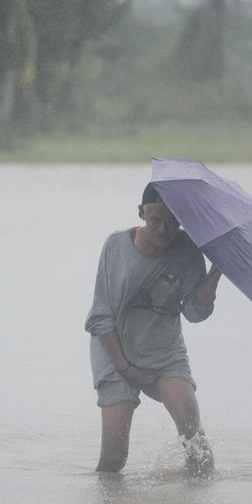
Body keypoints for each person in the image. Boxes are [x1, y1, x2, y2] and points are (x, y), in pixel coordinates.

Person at [85, 182, 222, 475]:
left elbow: (195, 313)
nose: (163, 229)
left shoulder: (187, 251)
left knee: (196, 445)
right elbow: (100, 317)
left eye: (172, 222)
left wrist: (217, 272)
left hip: (165, 351)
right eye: (156, 220)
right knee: (114, 458)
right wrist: (125, 367)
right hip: (115, 350)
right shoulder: (116, 246)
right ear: (141, 213)